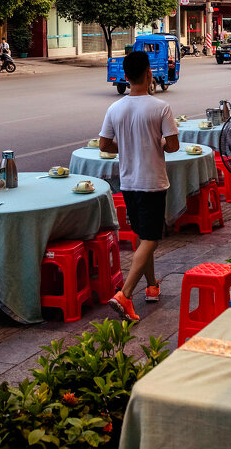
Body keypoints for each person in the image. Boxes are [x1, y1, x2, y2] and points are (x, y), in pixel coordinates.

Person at [98, 50, 179, 322]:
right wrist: (157, 142)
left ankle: (152, 285)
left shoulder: (115, 108)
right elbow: (174, 145)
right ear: (148, 73)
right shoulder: (160, 107)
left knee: (144, 237)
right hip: (153, 182)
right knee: (152, 238)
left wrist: (127, 144)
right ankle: (126, 293)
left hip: (129, 183)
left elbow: (104, 145)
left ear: (125, 76)